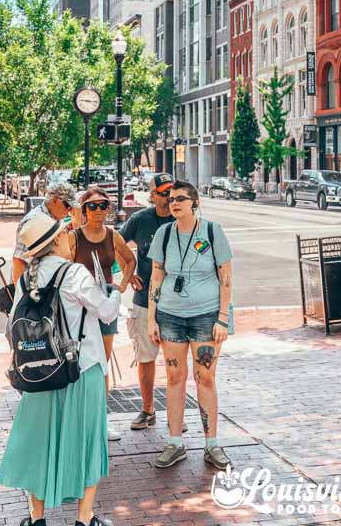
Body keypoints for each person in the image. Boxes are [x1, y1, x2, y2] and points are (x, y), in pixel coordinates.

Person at [0, 210, 120, 526]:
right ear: (55, 242)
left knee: (38, 444)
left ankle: (37, 518)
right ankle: (84, 517)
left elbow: (11, 328)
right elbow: (106, 312)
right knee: (88, 442)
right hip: (81, 369)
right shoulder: (75, 274)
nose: (70, 237)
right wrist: (115, 291)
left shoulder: (27, 278)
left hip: (38, 373)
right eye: (65, 233)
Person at [147, 180, 234, 470]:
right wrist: (152, 318)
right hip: (170, 315)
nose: (174, 203)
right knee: (174, 378)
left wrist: (223, 317)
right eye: (171, 199)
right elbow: (156, 277)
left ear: (195, 203)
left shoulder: (212, 231)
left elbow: (226, 277)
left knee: (205, 377)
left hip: (207, 315)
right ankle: (175, 442)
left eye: (181, 199)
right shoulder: (164, 233)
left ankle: (212, 444)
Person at [69, 187, 136, 441]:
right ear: (84, 210)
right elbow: (63, 266)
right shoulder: (74, 237)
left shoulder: (112, 235)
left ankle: (100, 421)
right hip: (80, 306)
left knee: (101, 365)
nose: (99, 211)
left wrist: (121, 286)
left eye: (103, 205)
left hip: (105, 303)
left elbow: (130, 260)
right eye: (93, 206)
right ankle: (78, 419)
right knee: (78, 361)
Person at [119, 173, 175, 429]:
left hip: (178, 304)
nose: (168, 197)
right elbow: (115, 244)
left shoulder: (184, 218)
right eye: (163, 193)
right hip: (144, 301)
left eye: (171, 191)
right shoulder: (140, 220)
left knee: (176, 362)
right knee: (146, 357)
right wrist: (129, 274)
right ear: (152, 195)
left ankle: (177, 414)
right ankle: (147, 409)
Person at [12, 181, 81, 286]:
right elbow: (19, 261)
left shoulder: (56, 217)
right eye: (67, 205)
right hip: (33, 287)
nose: (70, 210)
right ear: (54, 200)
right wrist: (21, 295)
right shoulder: (33, 220)